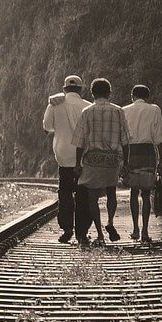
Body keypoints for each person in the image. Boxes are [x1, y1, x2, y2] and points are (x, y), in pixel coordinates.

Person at [73, 78, 128, 247]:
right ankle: (110, 221)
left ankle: (99, 233)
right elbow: (125, 140)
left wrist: (77, 163)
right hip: (111, 160)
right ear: (109, 93)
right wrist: (125, 162)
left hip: (92, 160)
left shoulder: (87, 112)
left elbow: (80, 141)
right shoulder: (118, 111)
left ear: (92, 93)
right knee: (112, 192)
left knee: (92, 197)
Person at [43, 75, 92, 243]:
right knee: (83, 194)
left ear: (64, 89)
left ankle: (67, 228)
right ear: (81, 89)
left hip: (63, 155)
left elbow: (47, 126)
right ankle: (82, 232)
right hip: (84, 157)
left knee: (65, 192)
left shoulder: (54, 104)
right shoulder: (88, 106)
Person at [122, 84, 162, 244]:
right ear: (147, 97)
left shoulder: (124, 110)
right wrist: (161, 161)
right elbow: (158, 138)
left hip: (131, 153)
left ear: (132, 96)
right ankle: (145, 231)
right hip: (148, 152)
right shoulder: (154, 109)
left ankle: (135, 229)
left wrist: (122, 160)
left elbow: (123, 138)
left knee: (134, 192)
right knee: (146, 193)